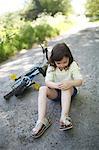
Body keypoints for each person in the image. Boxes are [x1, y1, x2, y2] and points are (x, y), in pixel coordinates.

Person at [32, 43, 83, 138]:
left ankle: (64, 117)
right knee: (42, 88)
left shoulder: (72, 65)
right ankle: (41, 120)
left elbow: (79, 81)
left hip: (70, 90)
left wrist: (70, 83)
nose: (62, 65)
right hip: (56, 92)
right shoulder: (51, 67)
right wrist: (56, 85)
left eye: (65, 62)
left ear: (69, 58)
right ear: (54, 61)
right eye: (58, 63)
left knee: (66, 87)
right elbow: (47, 82)